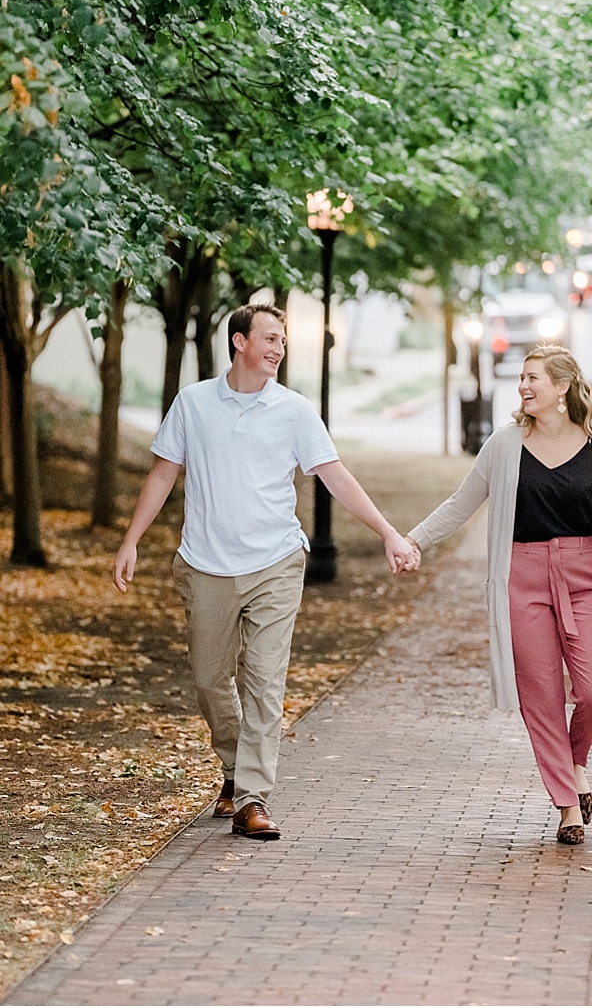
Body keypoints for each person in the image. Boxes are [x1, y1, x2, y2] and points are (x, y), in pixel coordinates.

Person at [113, 303, 416, 841]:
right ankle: (233, 766)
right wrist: (131, 539)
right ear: (238, 342)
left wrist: (388, 532)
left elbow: (334, 475)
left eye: (282, 341)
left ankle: (252, 796)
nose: (278, 349)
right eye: (270, 338)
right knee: (210, 680)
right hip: (205, 563)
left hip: (276, 561)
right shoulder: (194, 403)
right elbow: (163, 474)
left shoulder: (294, 411)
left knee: (264, 682)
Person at [403, 344, 592, 845]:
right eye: (523, 379)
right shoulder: (506, 446)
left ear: (562, 388)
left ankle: (575, 761)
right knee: (542, 695)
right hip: (522, 575)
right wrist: (413, 540)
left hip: (585, 573)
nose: (524, 387)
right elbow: (462, 502)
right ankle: (567, 805)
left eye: (534, 378)